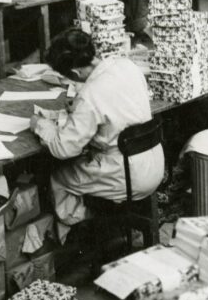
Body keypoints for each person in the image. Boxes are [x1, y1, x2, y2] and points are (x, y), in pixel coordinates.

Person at [30, 29, 164, 226]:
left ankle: (90, 226)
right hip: (154, 163)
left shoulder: (89, 95)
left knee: (59, 178)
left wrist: (41, 125)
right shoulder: (126, 65)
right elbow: (117, 104)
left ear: (75, 72)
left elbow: (63, 149)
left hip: (129, 175)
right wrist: (81, 110)